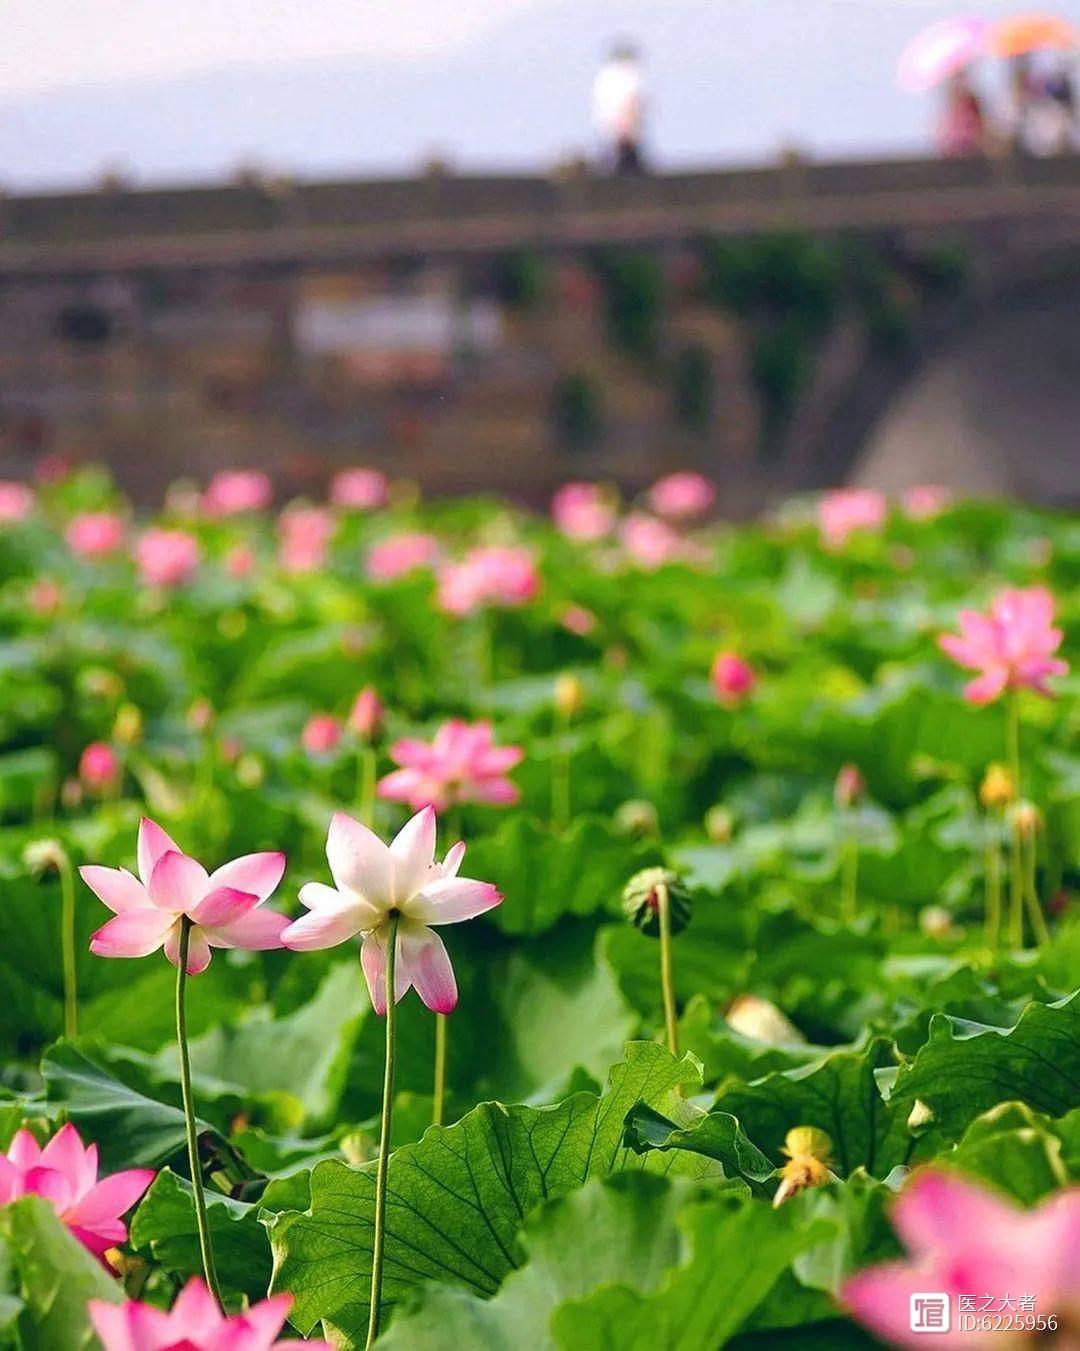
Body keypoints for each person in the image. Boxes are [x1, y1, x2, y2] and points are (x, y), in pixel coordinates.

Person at [593, 42, 646, 175]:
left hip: (608, 131)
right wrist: (626, 129)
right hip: (623, 132)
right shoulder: (628, 76)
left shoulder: (605, 77)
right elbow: (630, 103)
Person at [936, 70, 987, 157]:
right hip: (956, 151)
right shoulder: (951, 105)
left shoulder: (971, 100)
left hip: (971, 149)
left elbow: (980, 126)